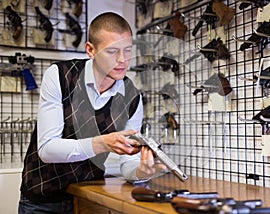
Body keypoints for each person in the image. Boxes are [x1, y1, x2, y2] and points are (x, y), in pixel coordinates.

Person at [18, 12, 165, 214]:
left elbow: (128, 163)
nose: (122, 60)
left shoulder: (131, 97)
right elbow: (47, 149)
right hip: (42, 200)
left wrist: (141, 171)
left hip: (87, 197)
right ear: (90, 49)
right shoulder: (60, 76)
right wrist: (102, 143)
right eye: (112, 51)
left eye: (128, 50)